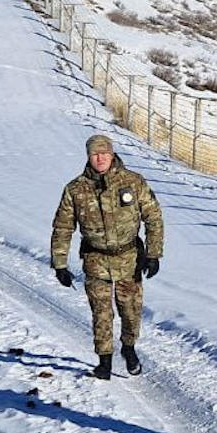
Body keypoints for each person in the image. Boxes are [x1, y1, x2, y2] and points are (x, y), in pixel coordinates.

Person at [51, 134, 164, 380]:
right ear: (88, 156)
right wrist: (59, 263)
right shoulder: (75, 189)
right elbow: (62, 227)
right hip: (96, 261)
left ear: (112, 154)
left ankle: (129, 348)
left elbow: (153, 217)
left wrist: (154, 254)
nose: (100, 158)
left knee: (130, 311)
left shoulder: (133, 182)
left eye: (104, 153)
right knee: (101, 313)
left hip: (129, 260)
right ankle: (104, 361)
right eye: (94, 154)